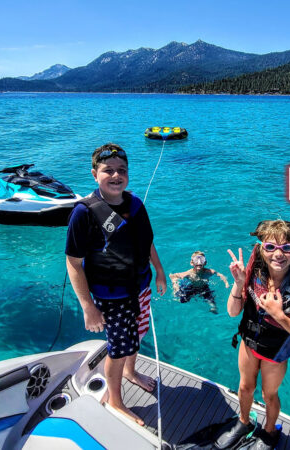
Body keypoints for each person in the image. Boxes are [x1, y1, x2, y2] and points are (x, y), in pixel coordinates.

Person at [65, 143, 166, 426]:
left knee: (137, 335)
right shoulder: (84, 213)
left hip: (140, 287)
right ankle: (115, 401)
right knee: (119, 348)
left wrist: (158, 270)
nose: (115, 175)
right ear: (94, 174)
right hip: (112, 297)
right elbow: (73, 263)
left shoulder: (135, 204)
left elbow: (145, 242)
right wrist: (88, 307)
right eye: (108, 170)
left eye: (121, 170)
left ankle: (131, 373)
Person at [219, 220, 290, 450]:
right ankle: (243, 422)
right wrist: (238, 283)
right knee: (245, 388)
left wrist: (279, 315)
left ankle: (269, 432)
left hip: (276, 351)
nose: (278, 254)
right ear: (261, 248)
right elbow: (233, 313)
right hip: (249, 342)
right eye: (271, 247)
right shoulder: (253, 274)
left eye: (287, 248)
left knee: (268, 394)